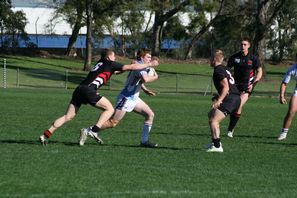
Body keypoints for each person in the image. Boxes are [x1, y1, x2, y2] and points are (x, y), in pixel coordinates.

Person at [39, 48, 159, 145]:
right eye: (113, 57)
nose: (115, 58)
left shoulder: (101, 63)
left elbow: (116, 71)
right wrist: (150, 64)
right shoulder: (110, 63)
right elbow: (132, 67)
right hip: (89, 91)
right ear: (108, 57)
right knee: (110, 109)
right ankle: (94, 130)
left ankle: (45, 135)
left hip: (79, 89)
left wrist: (129, 67)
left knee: (68, 116)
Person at [79, 48, 159, 148]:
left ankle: (144, 141)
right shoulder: (140, 67)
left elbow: (137, 80)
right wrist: (155, 77)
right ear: (142, 57)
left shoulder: (139, 65)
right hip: (126, 98)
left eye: (150, 58)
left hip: (134, 98)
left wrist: (144, 89)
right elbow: (145, 78)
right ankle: (89, 130)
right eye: (148, 57)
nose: (150, 59)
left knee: (150, 115)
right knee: (113, 123)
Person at [226, 37, 262, 138]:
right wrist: (228, 81)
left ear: (249, 46)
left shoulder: (253, 58)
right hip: (235, 87)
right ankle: (231, 127)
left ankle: (230, 129)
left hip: (247, 87)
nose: (243, 46)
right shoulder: (234, 57)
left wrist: (254, 83)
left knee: (238, 106)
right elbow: (227, 70)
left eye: (245, 44)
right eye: (241, 44)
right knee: (234, 108)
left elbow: (259, 71)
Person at [206, 49, 241, 152]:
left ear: (214, 59)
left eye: (210, 59)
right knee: (211, 114)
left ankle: (217, 146)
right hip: (235, 98)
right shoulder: (225, 69)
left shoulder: (218, 70)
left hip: (231, 99)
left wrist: (219, 100)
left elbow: (226, 87)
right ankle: (214, 142)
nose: (209, 61)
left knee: (214, 121)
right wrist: (218, 95)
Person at [277, 57, 297, 140]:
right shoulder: (293, 69)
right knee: (291, 112)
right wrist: (282, 96)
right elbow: (284, 83)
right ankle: (283, 133)